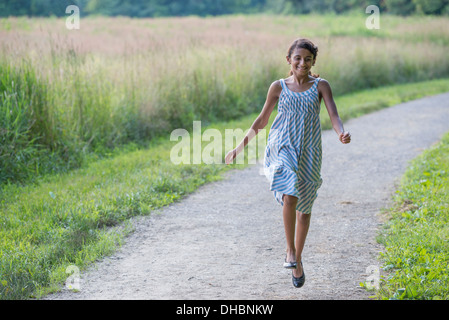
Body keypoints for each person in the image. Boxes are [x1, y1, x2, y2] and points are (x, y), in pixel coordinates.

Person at [224, 38, 351, 288]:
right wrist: (239, 147)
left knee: (304, 209)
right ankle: (289, 251)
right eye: (298, 58)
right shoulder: (278, 87)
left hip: (310, 152)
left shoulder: (321, 86)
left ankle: (298, 260)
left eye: (307, 59)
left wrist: (341, 132)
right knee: (289, 196)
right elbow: (261, 121)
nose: (302, 63)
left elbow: (333, 115)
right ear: (289, 60)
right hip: (282, 147)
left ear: (313, 61)